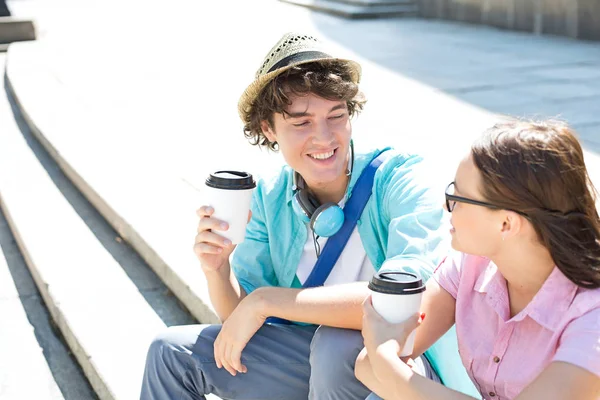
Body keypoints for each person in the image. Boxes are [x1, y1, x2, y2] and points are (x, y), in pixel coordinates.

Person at [140, 32, 475, 400]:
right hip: (308, 362)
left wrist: (266, 301)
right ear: (268, 129)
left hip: (395, 364)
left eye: (337, 116)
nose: (324, 138)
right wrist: (218, 269)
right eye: (301, 123)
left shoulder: (400, 178)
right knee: (169, 352)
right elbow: (240, 320)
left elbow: (406, 298)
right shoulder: (270, 197)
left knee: (334, 347)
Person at [356, 120, 600, 399]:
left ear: (507, 224)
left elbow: (380, 361)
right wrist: (385, 364)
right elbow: (366, 368)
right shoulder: (470, 264)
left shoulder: (592, 313)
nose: (446, 206)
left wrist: (386, 360)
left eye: (458, 197)